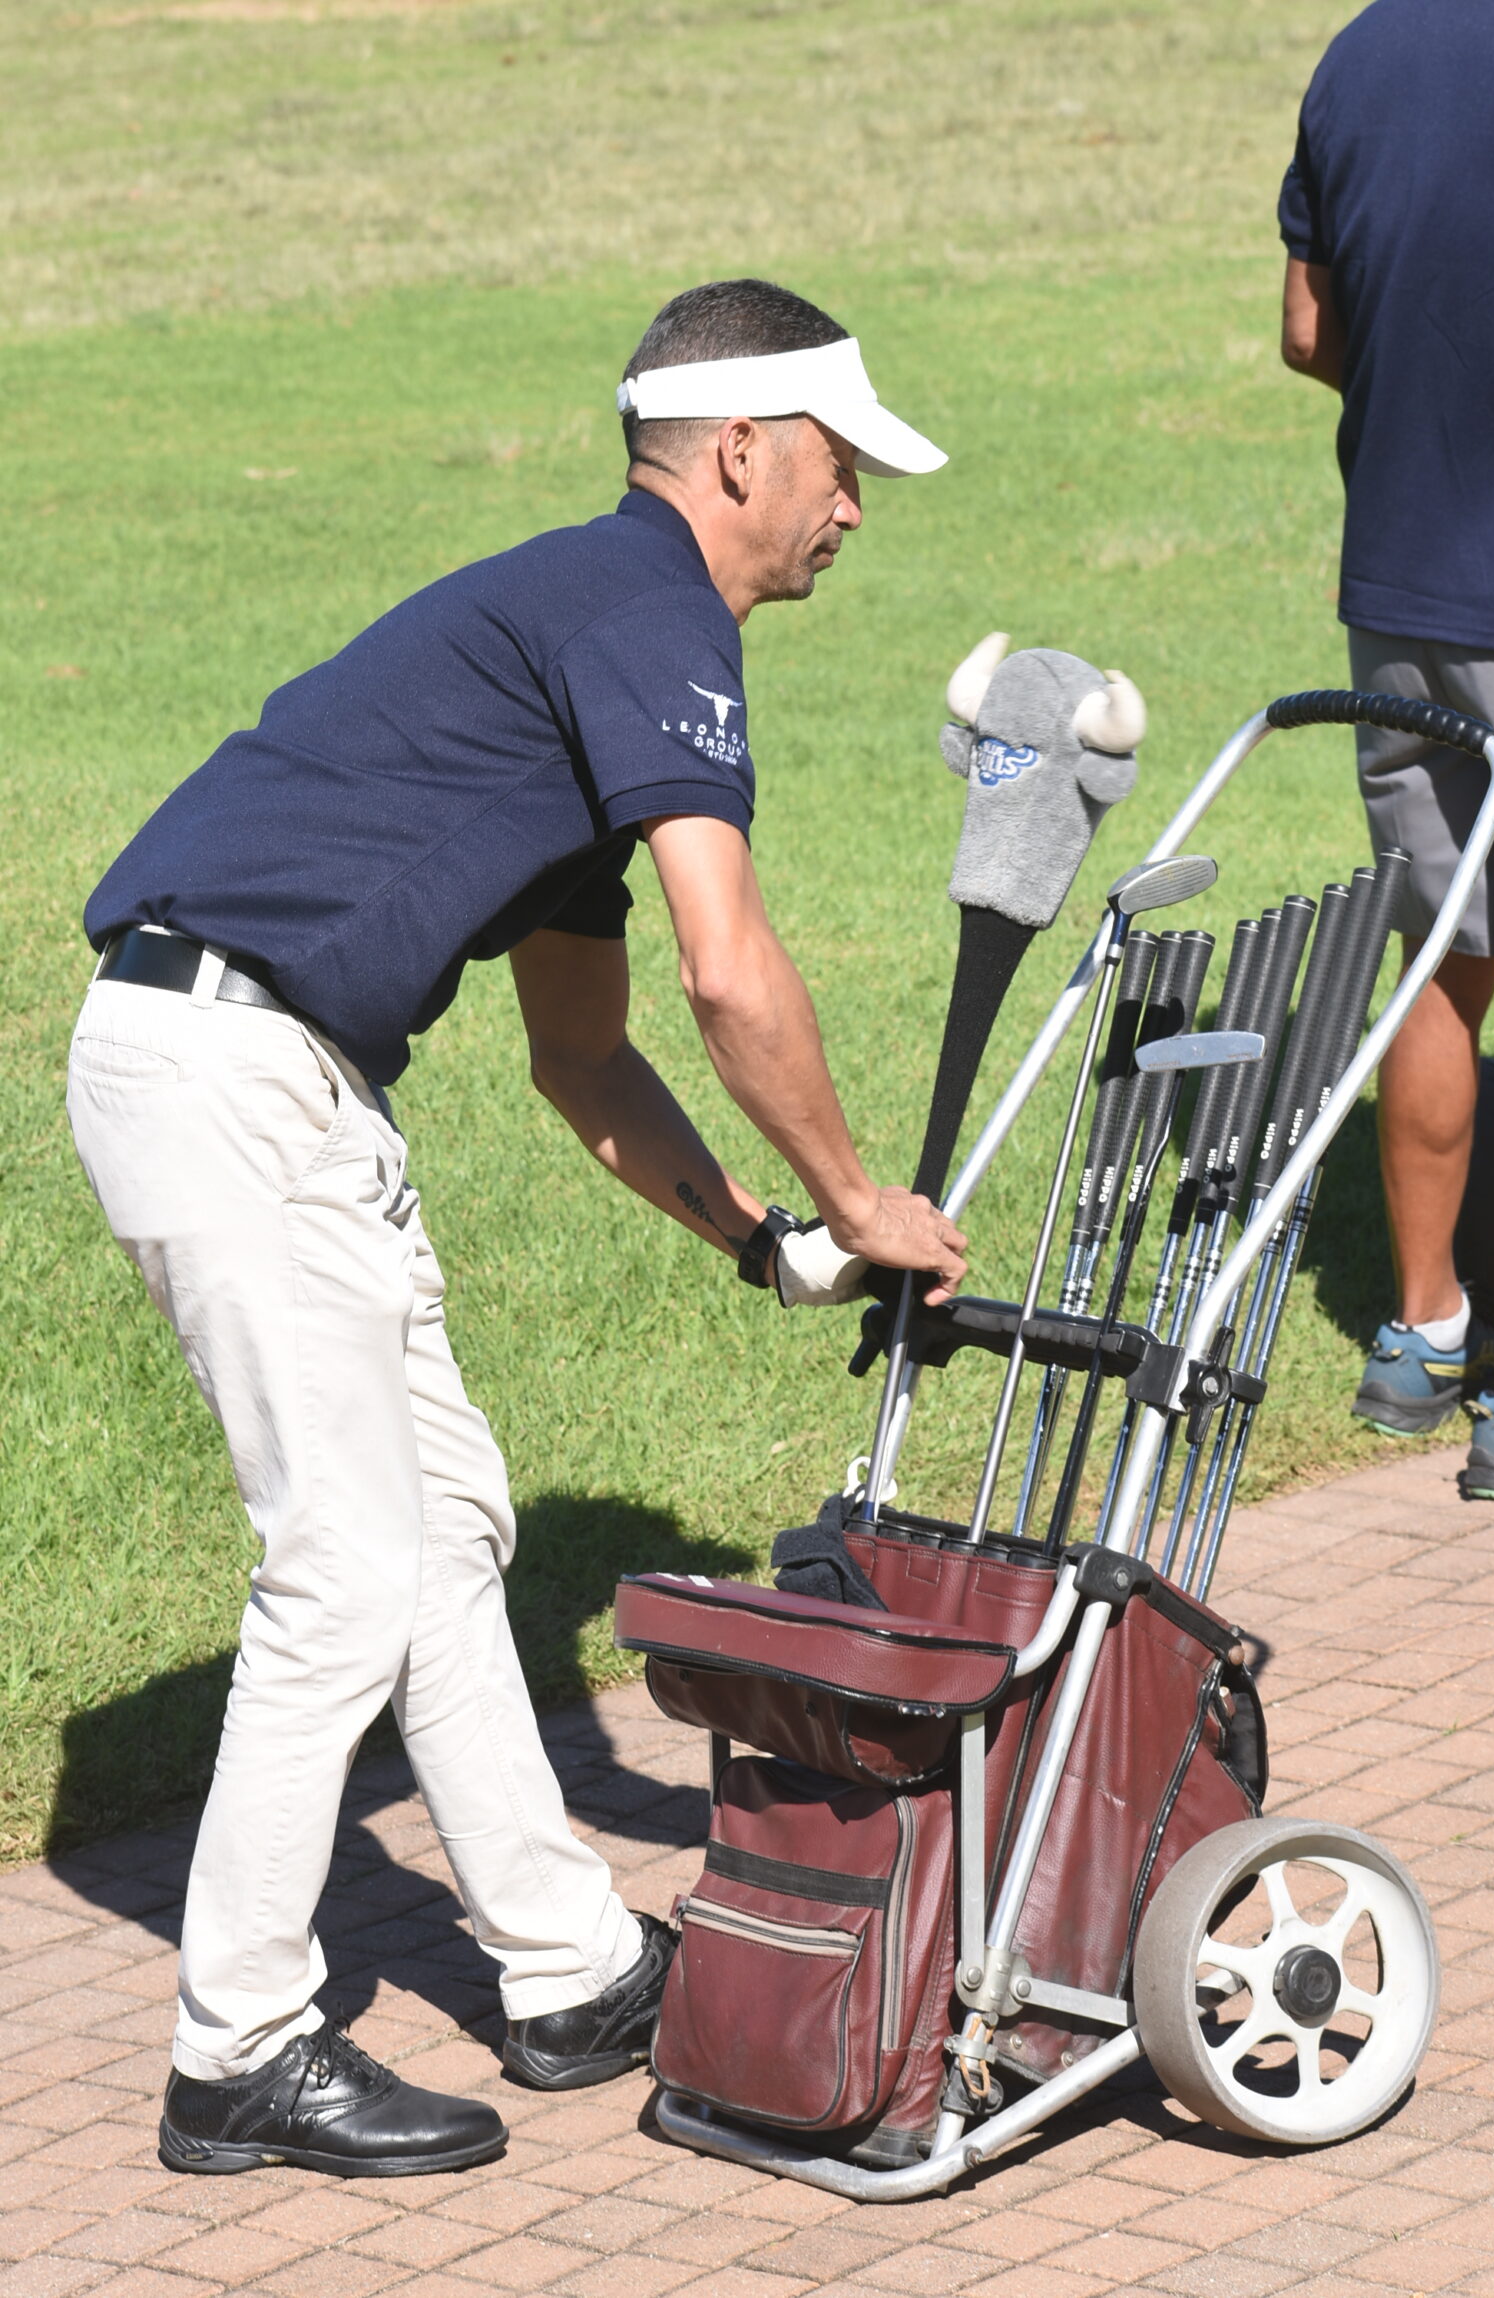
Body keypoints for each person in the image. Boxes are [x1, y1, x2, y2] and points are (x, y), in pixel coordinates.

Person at [67, 277, 968, 2180]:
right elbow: (734, 977)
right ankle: (235, 2046)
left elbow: (586, 1053)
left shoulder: (601, 625)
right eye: (839, 466)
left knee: (450, 1526)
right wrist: (856, 1196)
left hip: (273, 1075)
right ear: (743, 450)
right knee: (339, 1562)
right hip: (229, 1066)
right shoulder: (651, 616)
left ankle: (565, 1969)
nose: (856, 506)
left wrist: (753, 1241)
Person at [1277, 0, 1494, 1496]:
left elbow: (1313, 328)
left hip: (1401, 600)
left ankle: (1423, 1329)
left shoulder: (1357, 55)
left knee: (1442, 959)